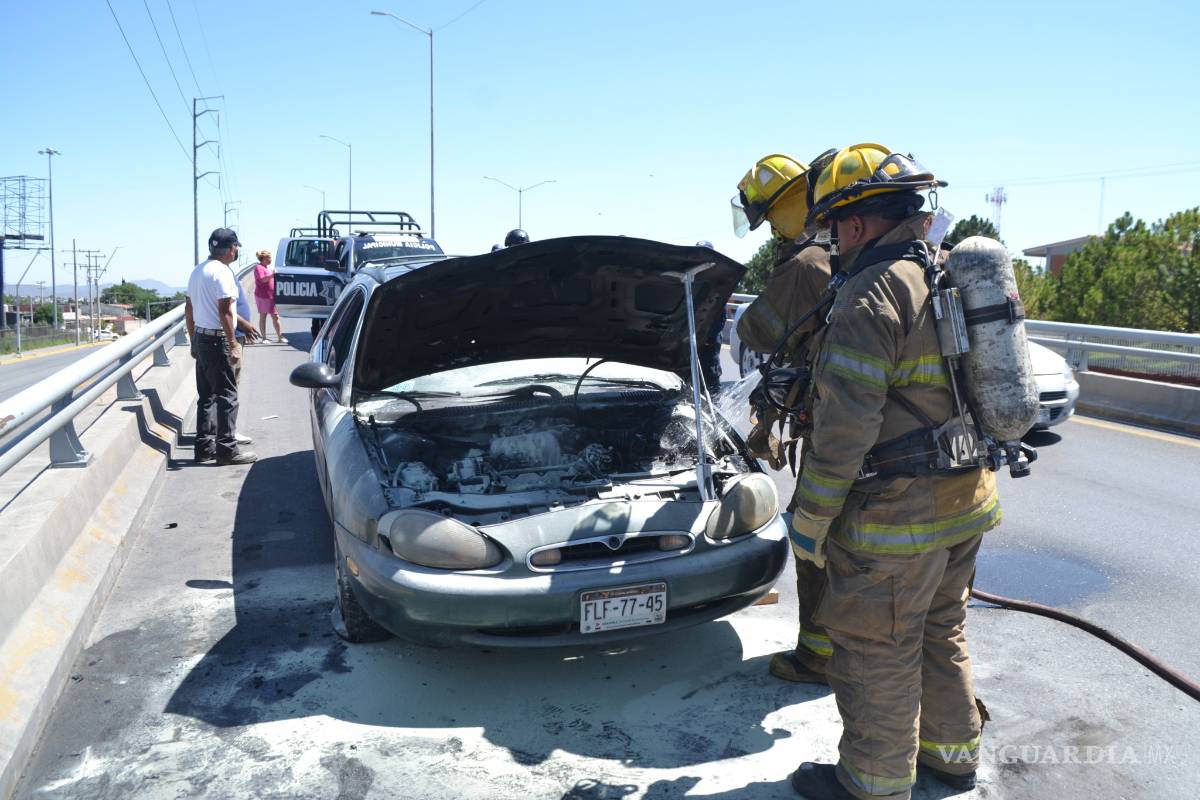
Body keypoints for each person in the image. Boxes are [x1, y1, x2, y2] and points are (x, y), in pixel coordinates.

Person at [786, 144, 998, 800]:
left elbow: (845, 430)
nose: (833, 244)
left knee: (877, 649)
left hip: (898, 521)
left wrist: (810, 521)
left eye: (832, 231)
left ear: (853, 225)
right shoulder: (940, 274)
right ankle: (951, 757)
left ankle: (872, 785)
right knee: (942, 629)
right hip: (966, 500)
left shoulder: (869, 294)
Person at [730, 151, 836, 685]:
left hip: (840, 436)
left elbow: (754, 335)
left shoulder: (804, 265)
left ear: (792, 205)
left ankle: (819, 656)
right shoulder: (857, 256)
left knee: (811, 538)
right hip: (892, 434)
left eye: (771, 216)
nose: (771, 229)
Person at [185, 228, 257, 466]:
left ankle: (204, 448)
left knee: (206, 396)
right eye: (236, 248)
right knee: (227, 396)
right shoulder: (223, 272)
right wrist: (233, 343)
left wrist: (194, 337)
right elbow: (225, 311)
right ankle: (227, 450)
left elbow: (189, 309)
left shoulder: (198, 271)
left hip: (203, 339)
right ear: (230, 249)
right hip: (218, 341)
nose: (236, 252)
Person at [253, 249, 283, 343]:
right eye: (269, 257)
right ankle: (264, 338)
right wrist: (272, 275)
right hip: (262, 295)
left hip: (271, 296)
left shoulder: (268, 268)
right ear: (264, 258)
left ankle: (280, 337)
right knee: (263, 316)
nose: (270, 259)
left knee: (275, 316)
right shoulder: (259, 268)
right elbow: (262, 280)